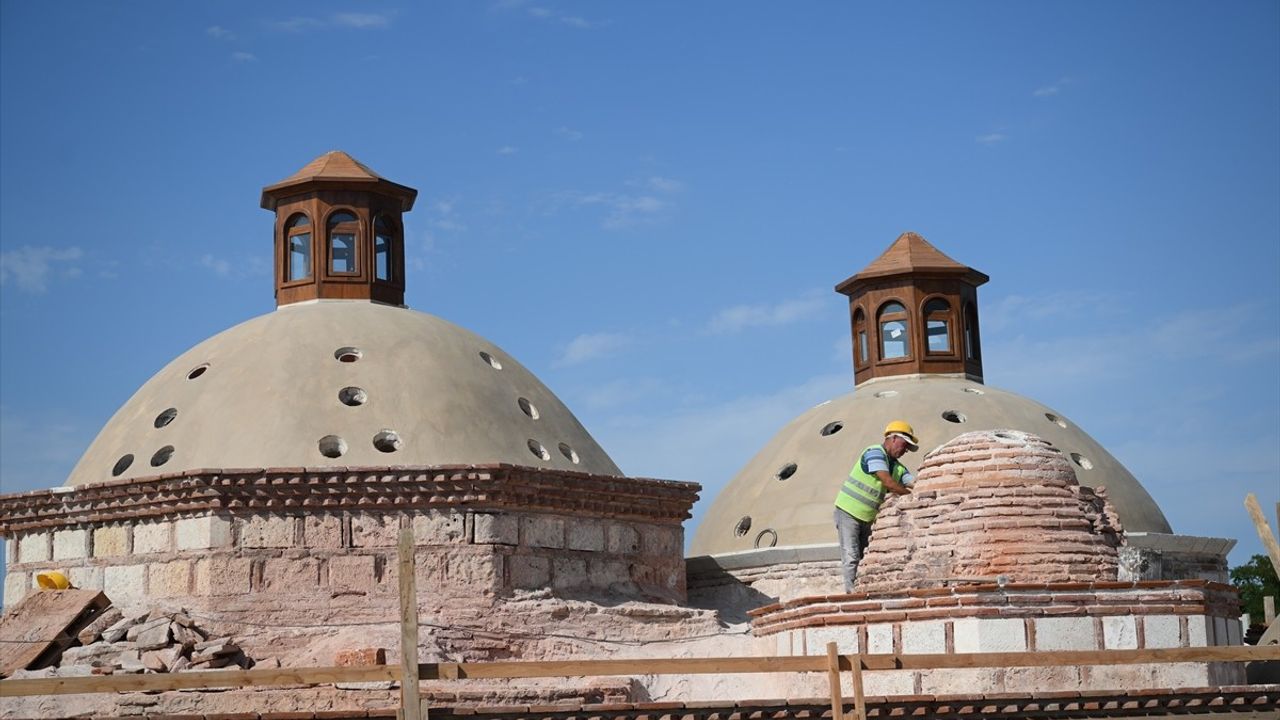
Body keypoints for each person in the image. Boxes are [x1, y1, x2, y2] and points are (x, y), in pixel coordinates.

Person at [834, 420, 917, 592]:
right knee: (851, 556)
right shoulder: (874, 453)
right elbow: (888, 482)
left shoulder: (898, 468)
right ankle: (851, 596)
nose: (905, 450)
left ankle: (865, 591)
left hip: (868, 518)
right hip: (848, 513)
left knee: (867, 557)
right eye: (904, 445)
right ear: (893, 438)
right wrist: (912, 496)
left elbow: (915, 483)